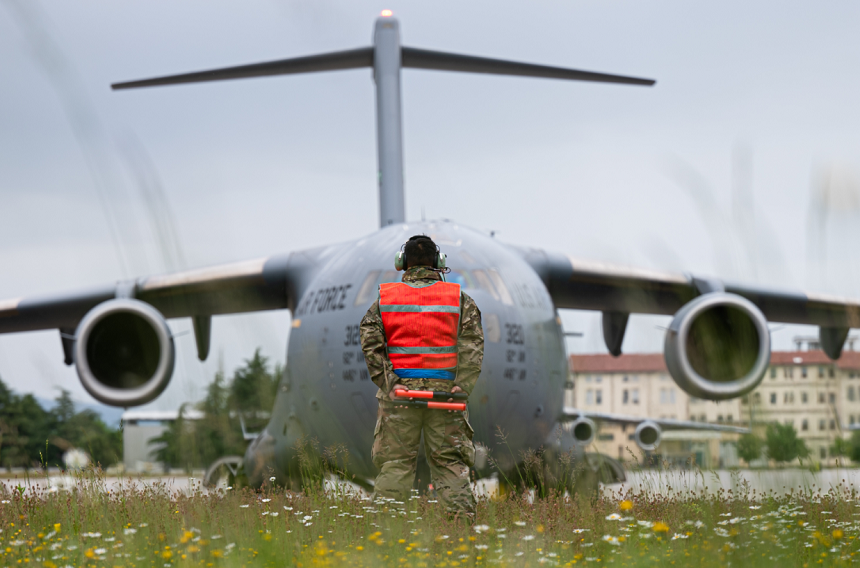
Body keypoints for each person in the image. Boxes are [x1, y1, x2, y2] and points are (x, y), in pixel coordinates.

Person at [360, 235, 484, 517]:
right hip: (445, 398)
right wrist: (461, 386)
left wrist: (390, 384)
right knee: (450, 464)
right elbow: (473, 344)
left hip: (400, 397)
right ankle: (460, 533)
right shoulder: (458, 299)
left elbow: (370, 344)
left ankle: (388, 534)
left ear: (402, 263)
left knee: (395, 464)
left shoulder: (386, 298)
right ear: (439, 263)